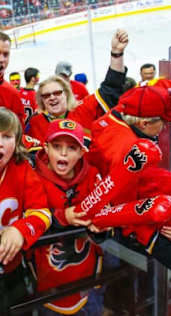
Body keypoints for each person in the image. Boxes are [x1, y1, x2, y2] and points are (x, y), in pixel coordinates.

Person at [86, 83, 171, 314]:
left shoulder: (117, 117)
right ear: (145, 123)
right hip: (122, 234)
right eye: (163, 121)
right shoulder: (128, 150)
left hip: (127, 227)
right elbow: (136, 218)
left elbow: (137, 95)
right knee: (128, 288)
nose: (166, 127)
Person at [0, 107, 51, 311]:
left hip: (13, 266)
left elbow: (42, 212)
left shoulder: (22, 168)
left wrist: (20, 230)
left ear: (16, 141)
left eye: (7, 136)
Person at [33, 119, 102, 316]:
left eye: (71, 148)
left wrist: (103, 224)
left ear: (82, 152)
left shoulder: (93, 175)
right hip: (48, 281)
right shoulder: (32, 177)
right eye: (56, 146)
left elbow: (105, 215)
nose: (63, 153)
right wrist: (64, 217)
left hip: (87, 279)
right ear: (45, 148)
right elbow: (27, 218)